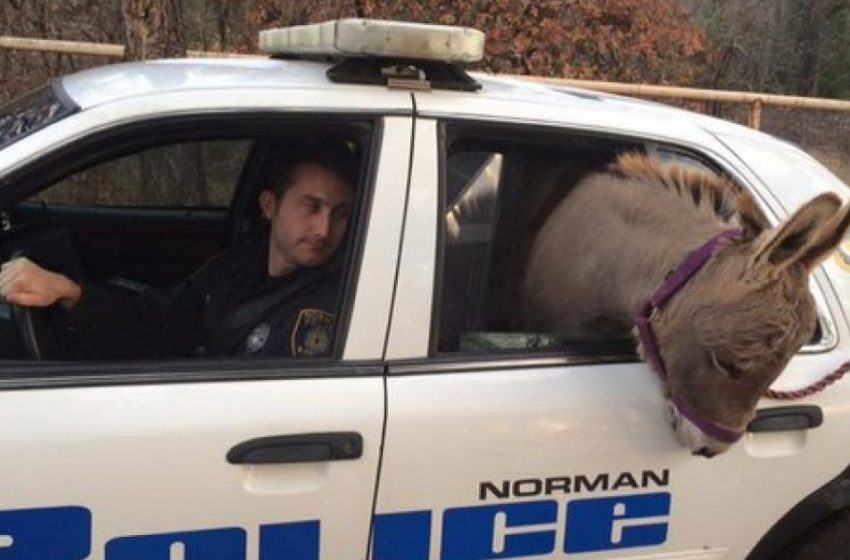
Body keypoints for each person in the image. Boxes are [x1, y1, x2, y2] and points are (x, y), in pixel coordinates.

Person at [0, 143, 357, 359]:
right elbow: (162, 323)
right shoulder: (240, 264)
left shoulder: (339, 298)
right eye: (312, 207)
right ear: (269, 206)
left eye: (340, 214)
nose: (324, 229)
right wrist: (69, 294)